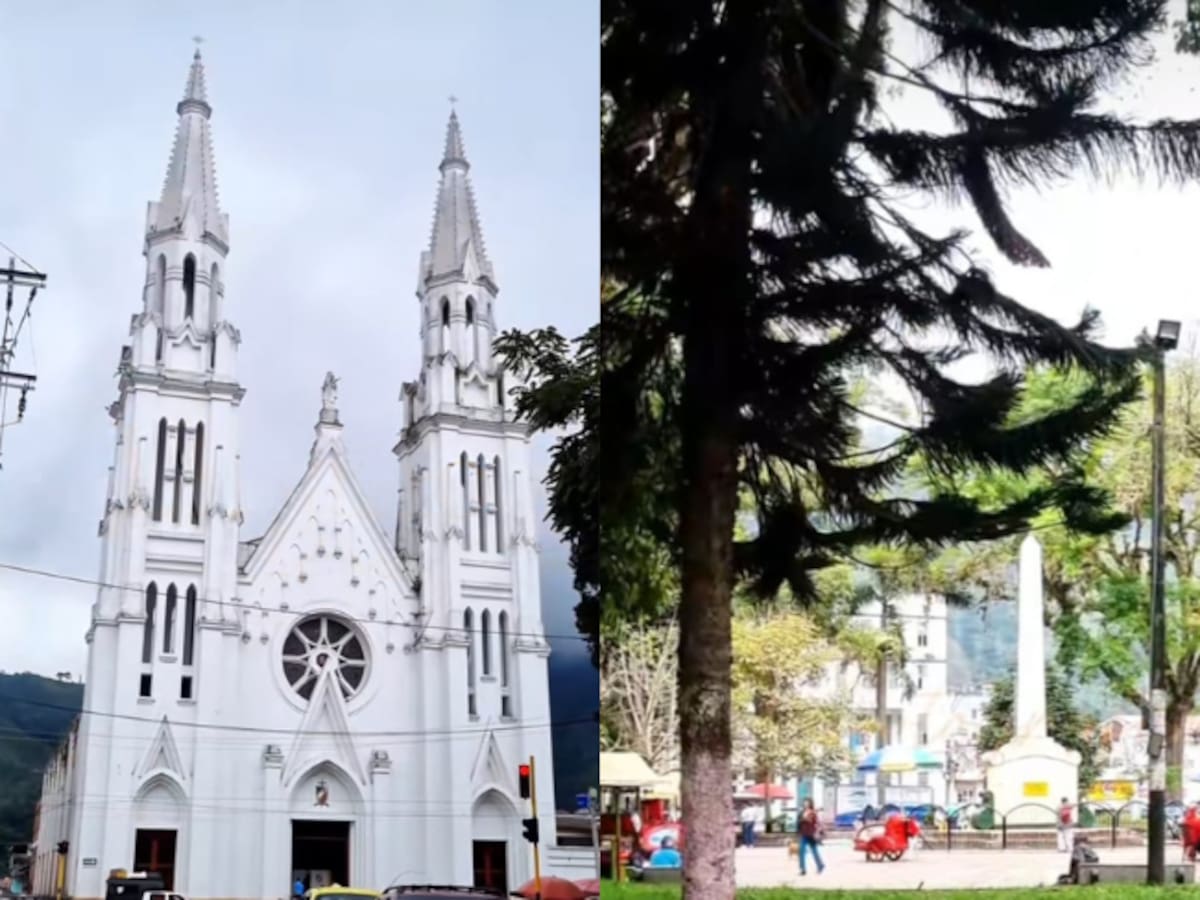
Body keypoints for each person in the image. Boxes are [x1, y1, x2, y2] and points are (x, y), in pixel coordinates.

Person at [798, 797, 826, 875]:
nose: (806, 804)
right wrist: (802, 820)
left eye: (807, 802)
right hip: (804, 834)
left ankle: (820, 865)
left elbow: (814, 822)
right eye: (805, 802)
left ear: (810, 803)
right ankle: (803, 869)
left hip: (811, 834)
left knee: (814, 851)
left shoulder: (813, 812)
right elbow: (799, 821)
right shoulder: (802, 812)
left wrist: (808, 817)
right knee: (801, 851)